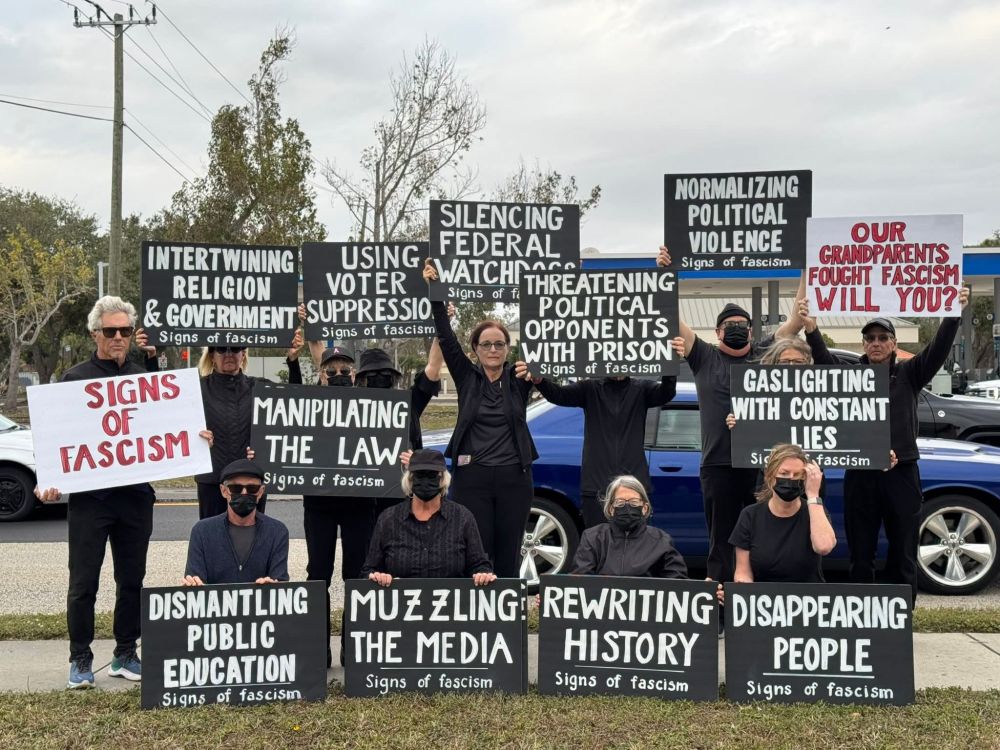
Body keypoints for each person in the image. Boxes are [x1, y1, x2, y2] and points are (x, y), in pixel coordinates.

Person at [34, 296, 182, 690]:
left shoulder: (143, 378)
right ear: (94, 334)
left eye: (125, 331)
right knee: (83, 584)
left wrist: (194, 438)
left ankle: (125, 653)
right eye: (110, 331)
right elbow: (55, 439)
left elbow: (168, 428)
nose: (118, 337)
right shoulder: (74, 379)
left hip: (135, 499)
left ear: (132, 334)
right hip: (91, 501)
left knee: (131, 580)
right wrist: (47, 479)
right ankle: (80, 658)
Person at [799, 288, 969, 597]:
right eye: (870, 338)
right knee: (861, 553)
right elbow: (824, 361)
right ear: (864, 344)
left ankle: (902, 612)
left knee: (903, 550)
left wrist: (952, 314)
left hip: (901, 473)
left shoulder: (910, 373)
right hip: (860, 475)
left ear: (893, 343)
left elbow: (938, 349)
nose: (876, 343)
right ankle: (863, 611)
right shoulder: (851, 376)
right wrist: (811, 329)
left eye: (882, 337)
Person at [658, 246, 805, 585]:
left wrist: (805, 266)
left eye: (742, 324)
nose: (736, 328)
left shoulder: (765, 353)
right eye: (729, 325)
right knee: (722, 542)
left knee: (764, 538)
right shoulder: (703, 357)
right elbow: (670, 315)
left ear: (752, 331)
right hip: (718, 465)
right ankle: (720, 604)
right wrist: (667, 273)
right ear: (717, 332)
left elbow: (796, 321)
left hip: (761, 464)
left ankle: (755, 602)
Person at [423, 261, 537, 579]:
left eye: (500, 344)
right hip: (472, 478)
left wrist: (564, 282)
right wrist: (435, 292)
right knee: (476, 553)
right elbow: (446, 338)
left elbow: (546, 332)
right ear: (475, 349)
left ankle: (509, 609)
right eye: (486, 344)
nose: (493, 349)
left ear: (508, 349)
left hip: (514, 478)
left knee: (509, 553)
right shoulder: (466, 377)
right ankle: (478, 610)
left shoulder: (520, 377)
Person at [514, 364, 677, 528]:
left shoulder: (642, 389)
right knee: (597, 539)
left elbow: (666, 393)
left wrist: (669, 366)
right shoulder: (590, 388)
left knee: (634, 541)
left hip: (633, 486)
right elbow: (559, 395)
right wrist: (541, 382)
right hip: (596, 487)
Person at [195, 329, 303, 519]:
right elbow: (166, 417)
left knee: (253, 534)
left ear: (243, 354)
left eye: (235, 347)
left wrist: (293, 360)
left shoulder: (260, 387)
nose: (229, 353)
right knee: (211, 534)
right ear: (211, 355)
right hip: (212, 480)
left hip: (251, 480)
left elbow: (295, 401)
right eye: (222, 348)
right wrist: (195, 436)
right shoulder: (196, 389)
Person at [363, 449, 496, 586]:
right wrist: (377, 576)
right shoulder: (388, 519)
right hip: (400, 599)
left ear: (443, 479)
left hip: (451, 598)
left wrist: (482, 574)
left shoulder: (462, 517)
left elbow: (479, 564)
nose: (425, 481)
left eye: (432, 475)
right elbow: (369, 570)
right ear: (409, 479)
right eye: (419, 475)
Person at [729, 443, 836, 583]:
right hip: (764, 594)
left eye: (797, 475)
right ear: (770, 476)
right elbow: (743, 573)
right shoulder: (750, 515)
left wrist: (813, 495)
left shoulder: (815, 512)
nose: (791, 479)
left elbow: (824, 547)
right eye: (784, 473)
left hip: (807, 594)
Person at [182, 459, 289, 585]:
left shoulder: (277, 532)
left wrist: (273, 586)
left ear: (261, 492)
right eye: (236, 488)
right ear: (224, 491)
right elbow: (194, 579)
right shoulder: (202, 531)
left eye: (252, 488)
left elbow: (281, 582)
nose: (244, 493)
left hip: (262, 598)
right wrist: (192, 584)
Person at [572, 475, 688, 577]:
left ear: (644, 508)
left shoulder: (661, 540)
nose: (627, 507)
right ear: (611, 509)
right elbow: (580, 581)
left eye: (634, 502)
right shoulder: (593, 538)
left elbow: (677, 585)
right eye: (620, 502)